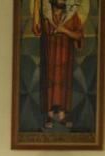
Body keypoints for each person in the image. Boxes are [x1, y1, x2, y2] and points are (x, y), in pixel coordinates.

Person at [31, 0, 84, 129]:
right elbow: (37, 31)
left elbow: (78, 36)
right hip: (49, 54)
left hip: (65, 55)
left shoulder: (72, 16)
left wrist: (64, 30)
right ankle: (49, 114)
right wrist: (36, 22)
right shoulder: (45, 17)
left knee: (63, 81)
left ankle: (61, 115)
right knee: (48, 81)